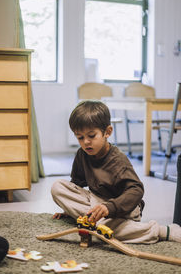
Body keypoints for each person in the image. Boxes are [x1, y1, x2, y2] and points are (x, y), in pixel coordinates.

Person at [51, 100, 181, 244]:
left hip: (124, 208)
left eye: (91, 136)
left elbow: (136, 190)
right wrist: (69, 210)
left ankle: (162, 231)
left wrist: (109, 207)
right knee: (57, 186)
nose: (86, 142)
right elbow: (76, 185)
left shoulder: (118, 161)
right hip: (98, 203)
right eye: (80, 137)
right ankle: (96, 221)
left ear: (107, 132)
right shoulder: (82, 154)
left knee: (102, 226)